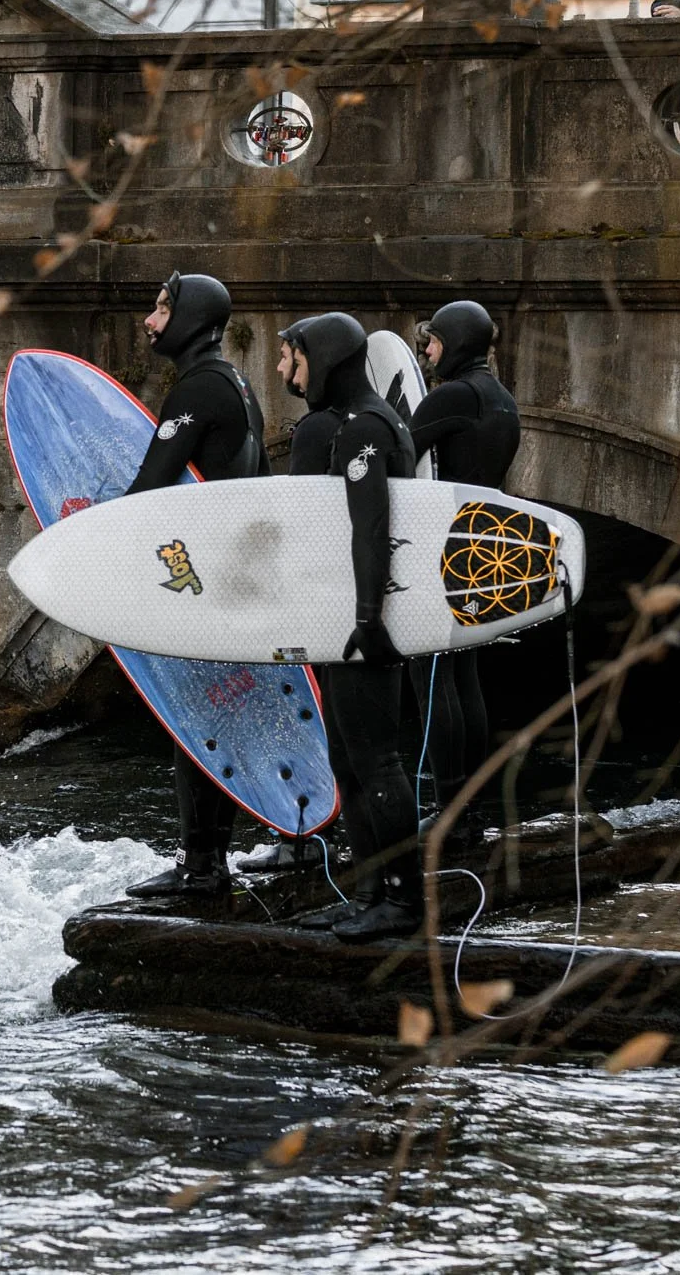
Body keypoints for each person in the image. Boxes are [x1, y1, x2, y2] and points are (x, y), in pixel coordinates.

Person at [124, 271, 272, 899]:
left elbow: (150, 486)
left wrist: (97, 543)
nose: (152, 321)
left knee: (194, 722)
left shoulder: (199, 389)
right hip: (236, 577)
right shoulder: (238, 383)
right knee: (220, 719)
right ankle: (210, 861)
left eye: (162, 309)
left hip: (205, 583)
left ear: (191, 318)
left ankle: (201, 867)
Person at [279, 312, 424, 943]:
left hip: (366, 620)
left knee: (377, 759)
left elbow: (372, 527)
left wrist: (367, 618)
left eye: (299, 358)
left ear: (330, 359)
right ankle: (368, 891)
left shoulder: (368, 427)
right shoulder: (366, 422)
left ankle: (402, 897)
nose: (293, 374)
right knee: (347, 758)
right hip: (347, 615)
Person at [408, 301, 520, 842]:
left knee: (435, 677)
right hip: (485, 548)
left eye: (432, 343)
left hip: (443, 547)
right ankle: (470, 808)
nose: (427, 353)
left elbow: (398, 449)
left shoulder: (454, 394)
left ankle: (448, 807)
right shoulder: (501, 399)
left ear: (452, 343)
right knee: (467, 673)